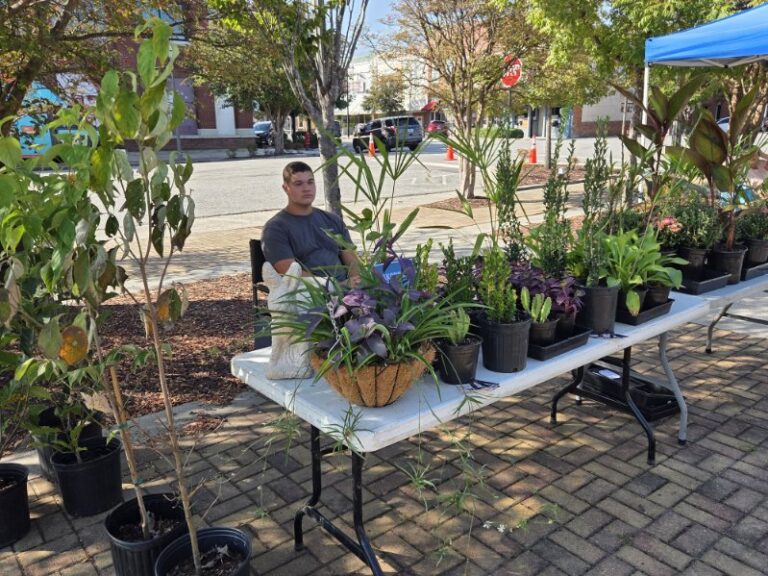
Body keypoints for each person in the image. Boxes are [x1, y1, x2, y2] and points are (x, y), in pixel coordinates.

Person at [262, 161, 359, 283]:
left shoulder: (332, 220)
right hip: (308, 295)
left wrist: (357, 283)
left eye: (310, 182)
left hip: (347, 293)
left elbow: (352, 262)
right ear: (286, 188)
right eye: (298, 184)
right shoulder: (275, 228)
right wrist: (334, 287)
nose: (306, 188)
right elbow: (290, 274)